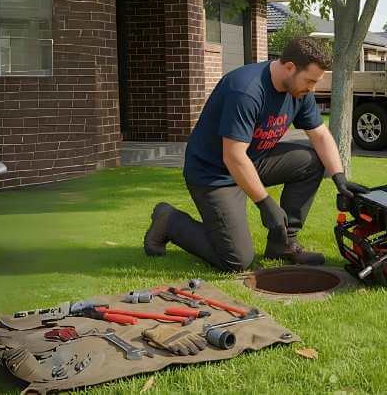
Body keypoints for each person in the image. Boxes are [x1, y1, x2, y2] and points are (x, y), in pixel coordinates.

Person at [145, 38, 369, 271]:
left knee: (312, 161)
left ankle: (283, 243)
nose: (312, 89)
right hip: (213, 174)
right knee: (237, 260)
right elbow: (233, 156)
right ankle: (169, 221)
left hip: (252, 161)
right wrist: (265, 203)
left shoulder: (299, 92)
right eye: (310, 81)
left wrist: (339, 177)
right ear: (290, 67)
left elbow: (320, 135)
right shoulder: (247, 90)